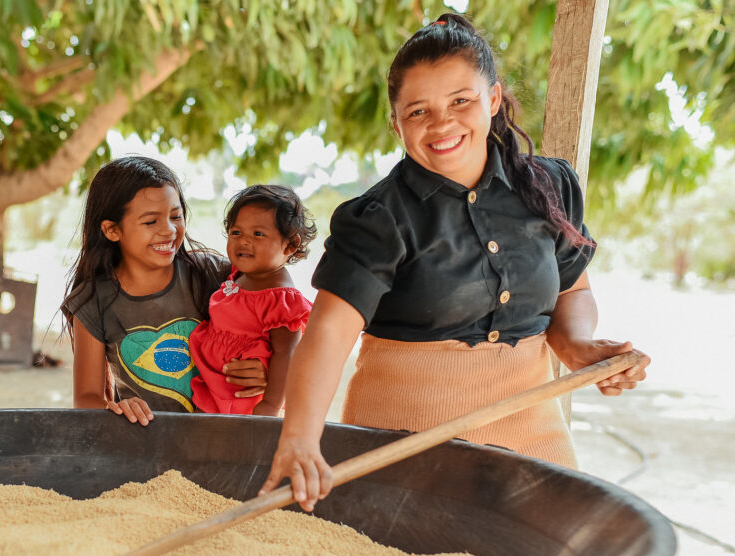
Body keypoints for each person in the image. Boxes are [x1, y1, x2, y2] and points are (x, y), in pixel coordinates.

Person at [260, 13, 651, 511]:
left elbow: (572, 289)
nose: (441, 123)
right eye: (418, 111)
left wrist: (578, 348)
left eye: (460, 101)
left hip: (529, 427)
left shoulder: (549, 186)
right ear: (396, 122)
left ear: (493, 99)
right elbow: (329, 334)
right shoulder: (378, 218)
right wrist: (300, 437)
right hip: (400, 435)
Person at [61, 156, 266, 425]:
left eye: (175, 216)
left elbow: (285, 318)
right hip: (146, 451)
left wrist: (268, 369)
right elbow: (86, 397)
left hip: (226, 440)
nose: (168, 231)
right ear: (112, 230)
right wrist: (118, 407)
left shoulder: (215, 275)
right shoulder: (92, 301)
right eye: (150, 222)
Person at [189, 185, 315, 416]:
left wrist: (270, 405)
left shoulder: (280, 298)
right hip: (215, 386)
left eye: (258, 234)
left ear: (291, 244)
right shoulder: (239, 276)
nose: (244, 241)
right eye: (236, 232)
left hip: (245, 398)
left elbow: (287, 355)